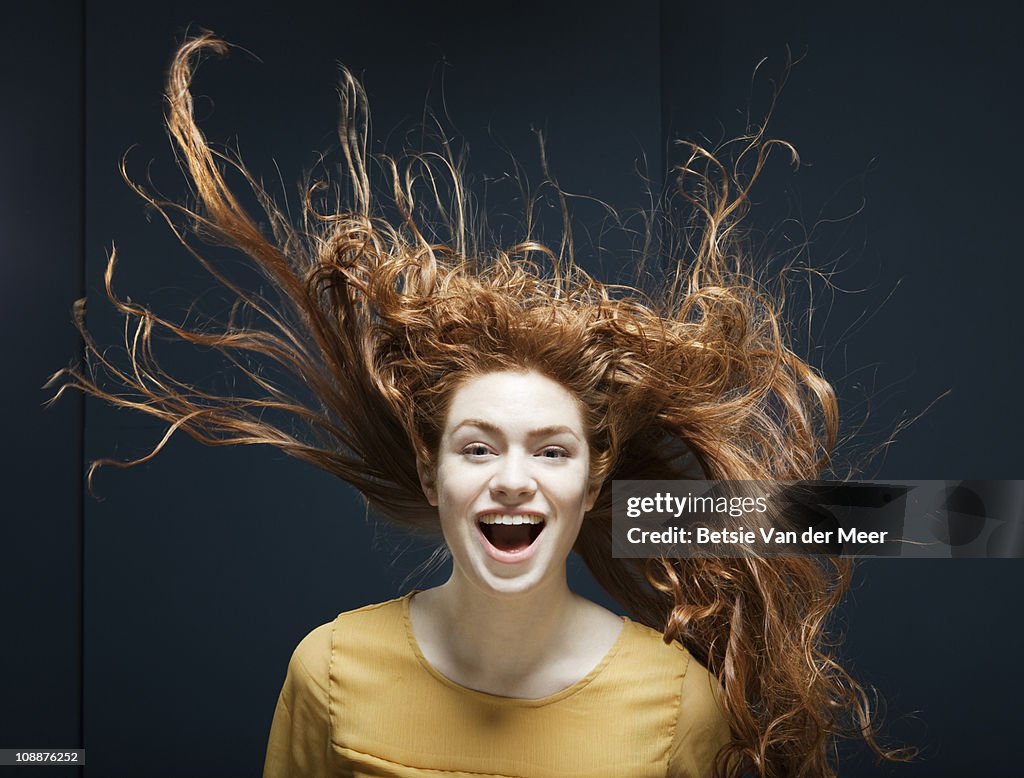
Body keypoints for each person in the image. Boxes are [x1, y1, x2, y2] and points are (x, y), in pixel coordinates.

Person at [46, 32, 912, 778]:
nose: (513, 481)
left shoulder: (678, 703)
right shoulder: (331, 671)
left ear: (593, 478)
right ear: (430, 472)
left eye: (551, 451)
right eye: (477, 447)